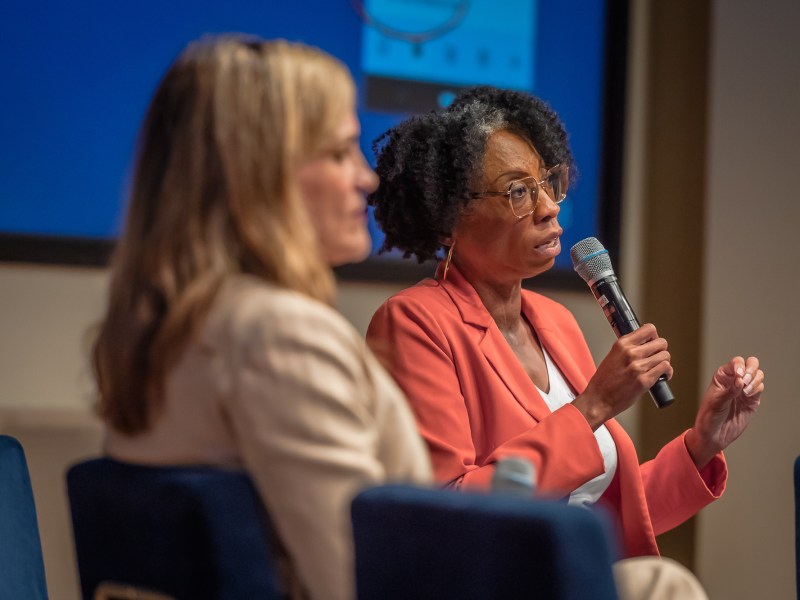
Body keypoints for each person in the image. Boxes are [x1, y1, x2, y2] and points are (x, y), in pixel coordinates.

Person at [365, 86, 764, 596]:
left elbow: (600, 512)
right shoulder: (415, 323)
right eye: (518, 192)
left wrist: (701, 443)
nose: (550, 207)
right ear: (448, 220)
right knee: (664, 584)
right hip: (487, 584)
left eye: (549, 183)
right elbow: (448, 507)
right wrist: (593, 407)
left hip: (566, 577)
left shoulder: (556, 322)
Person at [92, 35, 431, 600]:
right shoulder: (279, 334)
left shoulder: (169, 329)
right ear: (260, 173)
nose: (366, 178)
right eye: (340, 152)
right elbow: (367, 583)